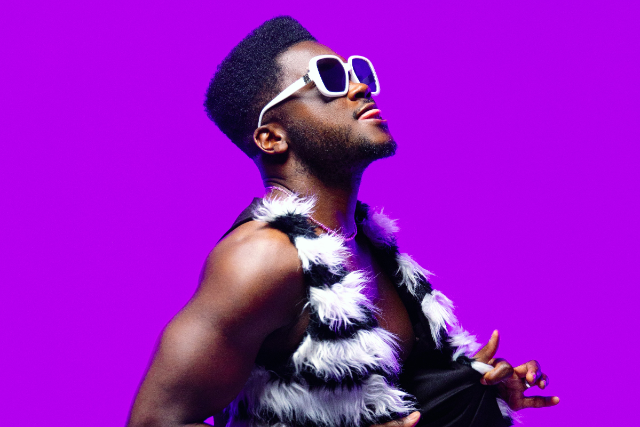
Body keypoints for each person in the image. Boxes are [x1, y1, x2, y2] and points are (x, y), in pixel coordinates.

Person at [127, 16, 559, 427]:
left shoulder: (365, 240)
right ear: (272, 137)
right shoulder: (262, 259)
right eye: (329, 78)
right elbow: (154, 421)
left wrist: (471, 388)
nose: (359, 86)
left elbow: (383, 397)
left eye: (356, 71)